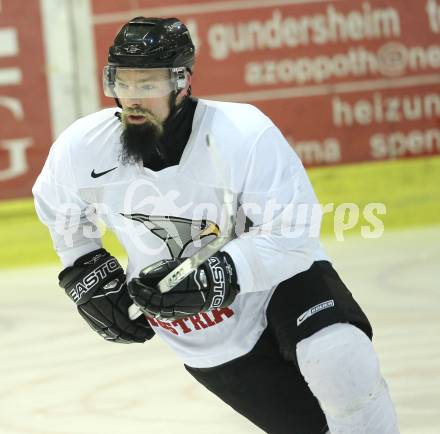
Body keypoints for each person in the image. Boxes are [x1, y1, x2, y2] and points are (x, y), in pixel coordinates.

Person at [32, 17, 399, 434]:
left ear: (181, 82)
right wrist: (85, 268)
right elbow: (60, 208)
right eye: (122, 82)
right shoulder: (81, 147)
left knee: (342, 363)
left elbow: (293, 235)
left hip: (278, 279)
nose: (131, 97)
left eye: (147, 84)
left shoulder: (242, 133)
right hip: (197, 324)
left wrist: (223, 272)